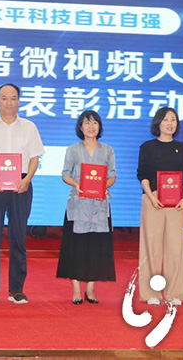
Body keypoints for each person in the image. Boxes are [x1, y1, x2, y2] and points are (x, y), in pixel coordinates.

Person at [0, 83, 45, 304]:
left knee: (18, 237)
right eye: (4, 98)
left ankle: (17, 289)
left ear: (19, 101)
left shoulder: (29, 127)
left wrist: (27, 180)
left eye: (13, 98)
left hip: (21, 184)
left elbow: (34, 158)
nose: (9, 102)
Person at [56, 110, 116, 304]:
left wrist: (103, 186)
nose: (91, 127)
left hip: (99, 204)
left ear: (100, 127)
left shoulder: (107, 150)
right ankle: (76, 289)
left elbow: (112, 175)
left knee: (96, 247)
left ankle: (90, 289)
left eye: (95, 123)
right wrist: (77, 184)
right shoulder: (73, 150)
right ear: (80, 127)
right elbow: (65, 174)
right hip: (78, 204)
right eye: (87, 123)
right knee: (76, 247)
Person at [136, 107, 183, 306]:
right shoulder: (147, 147)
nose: (170, 123)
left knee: (175, 247)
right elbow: (142, 174)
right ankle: (150, 293)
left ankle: (174, 293)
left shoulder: (182, 148)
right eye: (166, 119)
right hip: (153, 200)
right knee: (151, 246)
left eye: (173, 120)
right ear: (158, 123)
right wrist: (151, 196)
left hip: (177, 202)